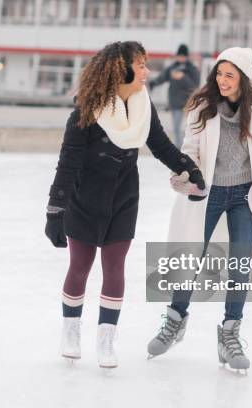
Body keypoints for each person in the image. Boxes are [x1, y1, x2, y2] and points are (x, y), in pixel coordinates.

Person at [146, 47, 252, 372]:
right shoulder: (201, 103)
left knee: (241, 264)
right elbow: (190, 149)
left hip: (243, 195)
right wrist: (183, 175)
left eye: (229, 75)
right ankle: (175, 319)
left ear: (243, 78)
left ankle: (229, 334)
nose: (222, 81)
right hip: (207, 193)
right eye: (219, 74)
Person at [44, 41, 206, 369]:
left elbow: (161, 146)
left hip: (123, 198)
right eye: (141, 65)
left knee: (115, 268)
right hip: (84, 199)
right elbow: (68, 164)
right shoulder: (86, 113)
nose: (147, 71)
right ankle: (71, 332)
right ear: (122, 70)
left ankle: (106, 340)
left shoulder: (143, 109)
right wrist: (55, 210)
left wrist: (189, 168)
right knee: (79, 267)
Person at [149, 44, 200, 149]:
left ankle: (189, 148)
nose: (181, 58)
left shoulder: (191, 69)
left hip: (188, 104)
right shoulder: (172, 68)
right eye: (179, 56)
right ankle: (179, 148)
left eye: (183, 56)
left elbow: (195, 86)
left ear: (186, 56)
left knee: (191, 129)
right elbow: (162, 77)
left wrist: (183, 77)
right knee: (176, 128)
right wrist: (153, 83)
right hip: (175, 103)